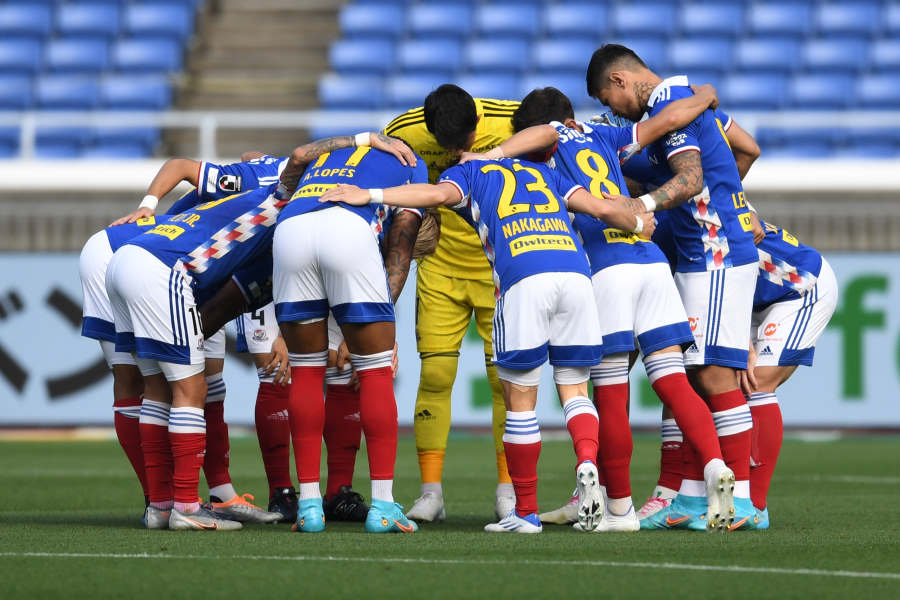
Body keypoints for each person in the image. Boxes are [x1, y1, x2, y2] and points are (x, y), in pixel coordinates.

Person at [320, 149, 652, 533]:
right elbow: (599, 207)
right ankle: (587, 461)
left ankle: (525, 513)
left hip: (524, 276)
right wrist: (637, 222)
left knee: (520, 400)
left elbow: (434, 195)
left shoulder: (470, 172)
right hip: (576, 275)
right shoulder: (545, 173)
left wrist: (371, 194)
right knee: (576, 390)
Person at [106, 132, 413, 531]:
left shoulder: (275, 192)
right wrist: (366, 138)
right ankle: (186, 505)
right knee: (191, 388)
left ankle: (161, 505)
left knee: (157, 385)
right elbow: (292, 158)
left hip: (126, 255)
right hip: (166, 270)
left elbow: (269, 157)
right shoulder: (292, 202)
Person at [466, 85, 736, 531]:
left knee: (609, 393)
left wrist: (492, 154)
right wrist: (705, 94)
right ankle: (714, 465)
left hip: (604, 267)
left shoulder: (542, 151)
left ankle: (619, 510)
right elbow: (668, 120)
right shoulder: (603, 134)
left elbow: (544, 136)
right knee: (673, 383)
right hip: (651, 262)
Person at [586, 44, 759, 529]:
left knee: (713, 378)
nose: (610, 111)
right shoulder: (686, 101)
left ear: (620, 80)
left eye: (608, 99)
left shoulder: (669, 104)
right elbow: (748, 149)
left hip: (715, 253)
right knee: (683, 375)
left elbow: (690, 177)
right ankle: (685, 495)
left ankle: (744, 500)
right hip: (700, 252)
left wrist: (645, 208)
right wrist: (727, 202)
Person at [273, 137, 423, 534]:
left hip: (290, 230)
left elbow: (296, 156)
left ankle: (308, 506)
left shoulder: (333, 152)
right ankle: (384, 506)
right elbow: (403, 245)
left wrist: (363, 137)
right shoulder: (413, 162)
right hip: (348, 231)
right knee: (374, 370)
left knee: (306, 371)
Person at [383, 85, 520, 520]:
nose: (458, 154)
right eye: (448, 149)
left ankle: (508, 490)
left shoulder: (510, 120)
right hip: (440, 267)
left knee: (505, 381)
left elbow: (554, 140)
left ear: (478, 126)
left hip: (499, 266)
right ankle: (430, 494)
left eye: (465, 145)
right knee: (437, 374)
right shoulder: (403, 134)